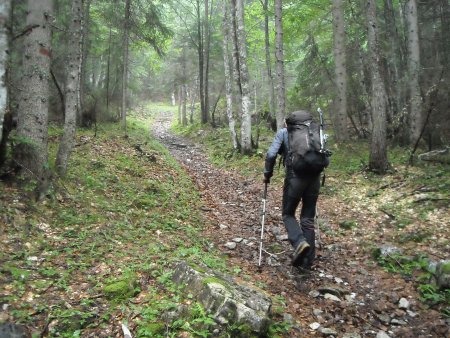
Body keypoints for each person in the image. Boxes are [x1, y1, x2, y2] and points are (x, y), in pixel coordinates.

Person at [263, 110, 322, 271]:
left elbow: (271, 154)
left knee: (288, 214)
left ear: (289, 123)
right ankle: (307, 262)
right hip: (315, 178)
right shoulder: (314, 132)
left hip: (295, 178)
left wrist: (267, 174)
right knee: (307, 218)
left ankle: (299, 242)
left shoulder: (284, 132)